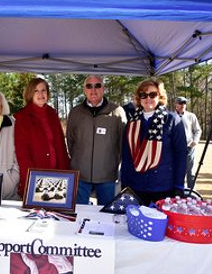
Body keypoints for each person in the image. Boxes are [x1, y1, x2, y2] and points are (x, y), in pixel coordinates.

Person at [121, 79, 187, 206]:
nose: (148, 98)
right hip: (135, 185)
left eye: (152, 94)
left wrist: (179, 185)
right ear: (138, 98)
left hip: (162, 186)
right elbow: (126, 155)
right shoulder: (132, 122)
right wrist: (124, 182)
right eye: (143, 95)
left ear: (160, 96)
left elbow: (181, 154)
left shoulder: (172, 120)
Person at [66, 75, 126, 206]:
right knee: (80, 213)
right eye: (89, 86)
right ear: (84, 90)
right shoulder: (75, 113)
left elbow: (122, 144)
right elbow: (70, 141)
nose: (93, 90)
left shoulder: (117, 112)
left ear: (103, 88)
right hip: (80, 175)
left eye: (97, 85)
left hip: (107, 176)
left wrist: (113, 163)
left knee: (105, 215)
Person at [14, 77, 70, 198]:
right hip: (36, 177)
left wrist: (66, 172)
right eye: (36, 91)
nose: (40, 94)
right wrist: (32, 179)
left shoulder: (52, 113)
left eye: (43, 90)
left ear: (48, 93)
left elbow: (61, 146)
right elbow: (22, 153)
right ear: (30, 93)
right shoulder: (22, 116)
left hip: (57, 175)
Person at [174, 96, 202, 189]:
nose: (182, 105)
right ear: (176, 104)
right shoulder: (171, 116)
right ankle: (178, 190)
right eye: (180, 103)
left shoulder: (191, 116)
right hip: (175, 148)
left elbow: (198, 130)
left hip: (189, 147)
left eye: (184, 103)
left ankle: (191, 191)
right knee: (177, 171)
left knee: (190, 171)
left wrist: (195, 141)